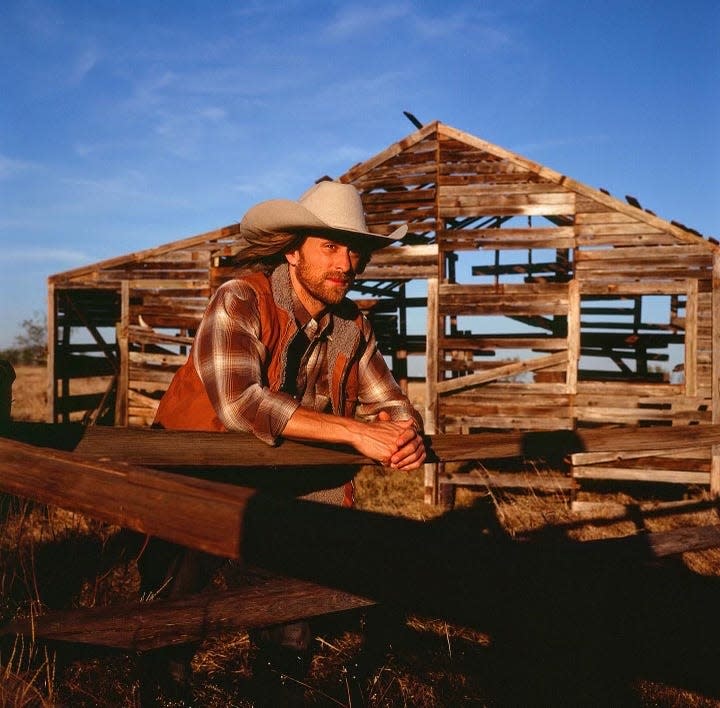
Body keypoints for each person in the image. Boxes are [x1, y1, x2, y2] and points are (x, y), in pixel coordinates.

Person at [139, 179, 426, 700]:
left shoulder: (351, 327)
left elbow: (393, 405)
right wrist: (356, 432)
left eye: (354, 249)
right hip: (200, 476)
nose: (347, 263)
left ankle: (277, 690)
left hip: (281, 489)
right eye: (330, 247)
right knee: (173, 609)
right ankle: (159, 688)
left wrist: (407, 436)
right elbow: (240, 403)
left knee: (288, 621)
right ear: (293, 251)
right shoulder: (240, 299)